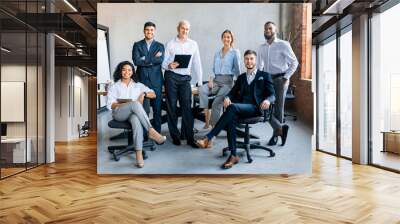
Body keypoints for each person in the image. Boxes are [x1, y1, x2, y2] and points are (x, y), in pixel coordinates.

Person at [196, 50, 275, 169]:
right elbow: (232, 93)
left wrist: (268, 100)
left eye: (251, 58)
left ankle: (209, 137)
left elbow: (273, 94)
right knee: (231, 117)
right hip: (241, 108)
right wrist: (227, 97)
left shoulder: (264, 76)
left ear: (256, 60)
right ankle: (233, 155)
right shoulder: (241, 78)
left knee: (231, 108)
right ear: (244, 61)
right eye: (247, 59)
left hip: (256, 108)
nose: (249, 61)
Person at [107, 61, 166, 168]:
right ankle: (151, 131)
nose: (126, 72)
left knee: (135, 118)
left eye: (129, 70)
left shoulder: (138, 85)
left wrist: (144, 93)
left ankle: (139, 155)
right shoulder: (114, 86)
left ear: (132, 72)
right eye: (124, 69)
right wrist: (125, 104)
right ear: (120, 71)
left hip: (133, 114)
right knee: (134, 104)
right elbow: (110, 105)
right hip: (119, 113)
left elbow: (153, 94)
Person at [162, 20, 203, 148]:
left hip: (185, 78)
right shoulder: (170, 44)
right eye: (182, 28)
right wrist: (169, 65)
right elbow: (162, 63)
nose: (184, 31)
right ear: (178, 29)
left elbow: (197, 63)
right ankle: (175, 136)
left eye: (187, 29)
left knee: (187, 108)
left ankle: (189, 137)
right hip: (171, 77)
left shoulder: (193, 44)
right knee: (172, 107)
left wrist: (200, 82)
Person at [257, 21, 298, 146]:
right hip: (267, 80)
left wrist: (286, 78)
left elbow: (294, 62)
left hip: (280, 80)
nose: (267, 30)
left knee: (278, 109)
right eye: (265, 29)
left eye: (270, 28)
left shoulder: (283, 44)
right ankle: (281, 128)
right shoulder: (261, 47)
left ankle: (275, 136)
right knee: (262, 105)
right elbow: (259, 66)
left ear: (275, 30)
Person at [198, 30, 241, 130]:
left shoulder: (235, 52)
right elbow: (214, 69)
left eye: (228, 37)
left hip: (227, 82)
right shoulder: (217, 53)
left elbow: (237, 71)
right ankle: (207, 120)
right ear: (222, 38)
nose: (226, 39)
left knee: (216, 103)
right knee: (202, 90)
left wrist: (238, 87)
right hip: (216, 80)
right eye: (224, 37)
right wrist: (211, 79)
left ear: (231, 39)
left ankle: (213, 128)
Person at [132, 21, 165, 133]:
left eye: (151, 30)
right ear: (144, 31)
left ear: (154, 31)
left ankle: (157, 134)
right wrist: (152, 59)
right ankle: (143, 134)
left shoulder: (160, 46)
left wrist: (144, 59)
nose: (149, 32)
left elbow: (160, 60)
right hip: (141, 81)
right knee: (142, 110)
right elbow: (136, 61)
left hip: (156, 81)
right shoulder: (137, 44)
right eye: (147, 30)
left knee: (157, 109)